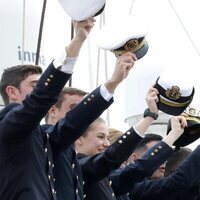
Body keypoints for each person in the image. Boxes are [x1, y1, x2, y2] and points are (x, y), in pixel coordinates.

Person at [0, 17, 109, 200]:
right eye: (36, 85)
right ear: (12, 91)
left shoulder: (38, 134)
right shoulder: (8, 124)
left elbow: (74, 122)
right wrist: (76, 42)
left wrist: (111, 84)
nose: (43, 91)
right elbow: (38, 101)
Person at [74, 91, 187, 200]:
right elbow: (137, 167)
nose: (107, 144)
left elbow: (135, 171)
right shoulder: (78, 169)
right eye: (100, 136)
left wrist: (172, 132)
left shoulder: (107, 178)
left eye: (107, 138)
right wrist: (150, 116)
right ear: (79, 138)